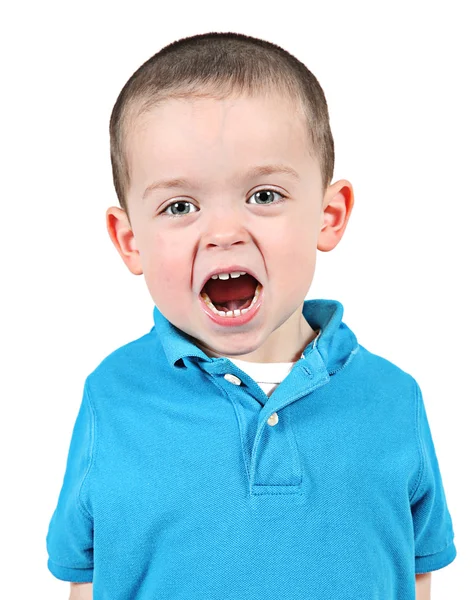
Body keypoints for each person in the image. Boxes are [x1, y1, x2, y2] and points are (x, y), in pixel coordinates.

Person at [46, 32, 456, 600]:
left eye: (263, 195)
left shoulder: (393, 399)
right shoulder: (112, 395)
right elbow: (86, 579)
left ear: (329, 215)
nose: (223, 232)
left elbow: (415, 571)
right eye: (180, 206)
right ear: (129, 239)